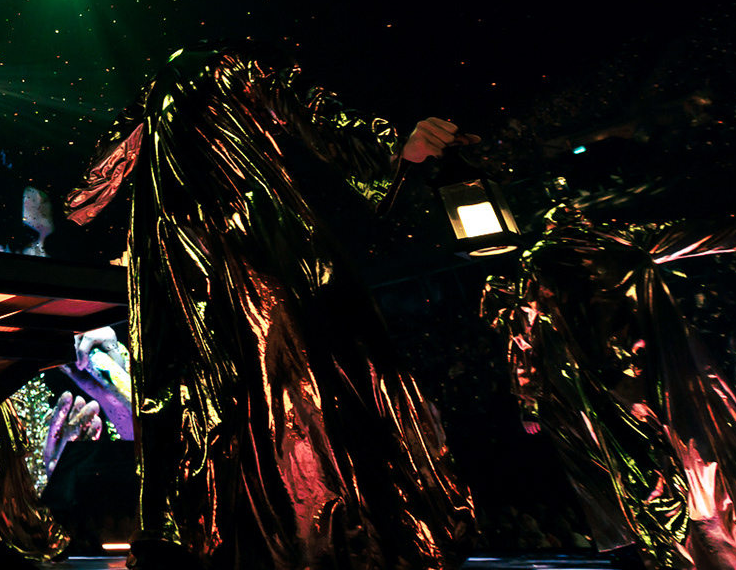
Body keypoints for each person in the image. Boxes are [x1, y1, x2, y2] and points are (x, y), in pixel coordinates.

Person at [63, 40, 476, 570]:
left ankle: (200, 536)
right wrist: (391, 147)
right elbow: (306, 106)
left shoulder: (154, 91)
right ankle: (313, 531)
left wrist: (76, 208)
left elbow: (94, 178)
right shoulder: (228, 59)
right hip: (248, 233)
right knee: (295, 373)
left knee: (196, 391)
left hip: (174, 255)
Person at [482, 203, 736, 569]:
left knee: (650, 472)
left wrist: (529, 399)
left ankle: (684, 555)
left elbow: (522, 334)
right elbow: (696, 235)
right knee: (699, 453)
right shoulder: (617, 240)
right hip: (661, 363)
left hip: (609, 381)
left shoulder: (540, 260)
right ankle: (727, 543)